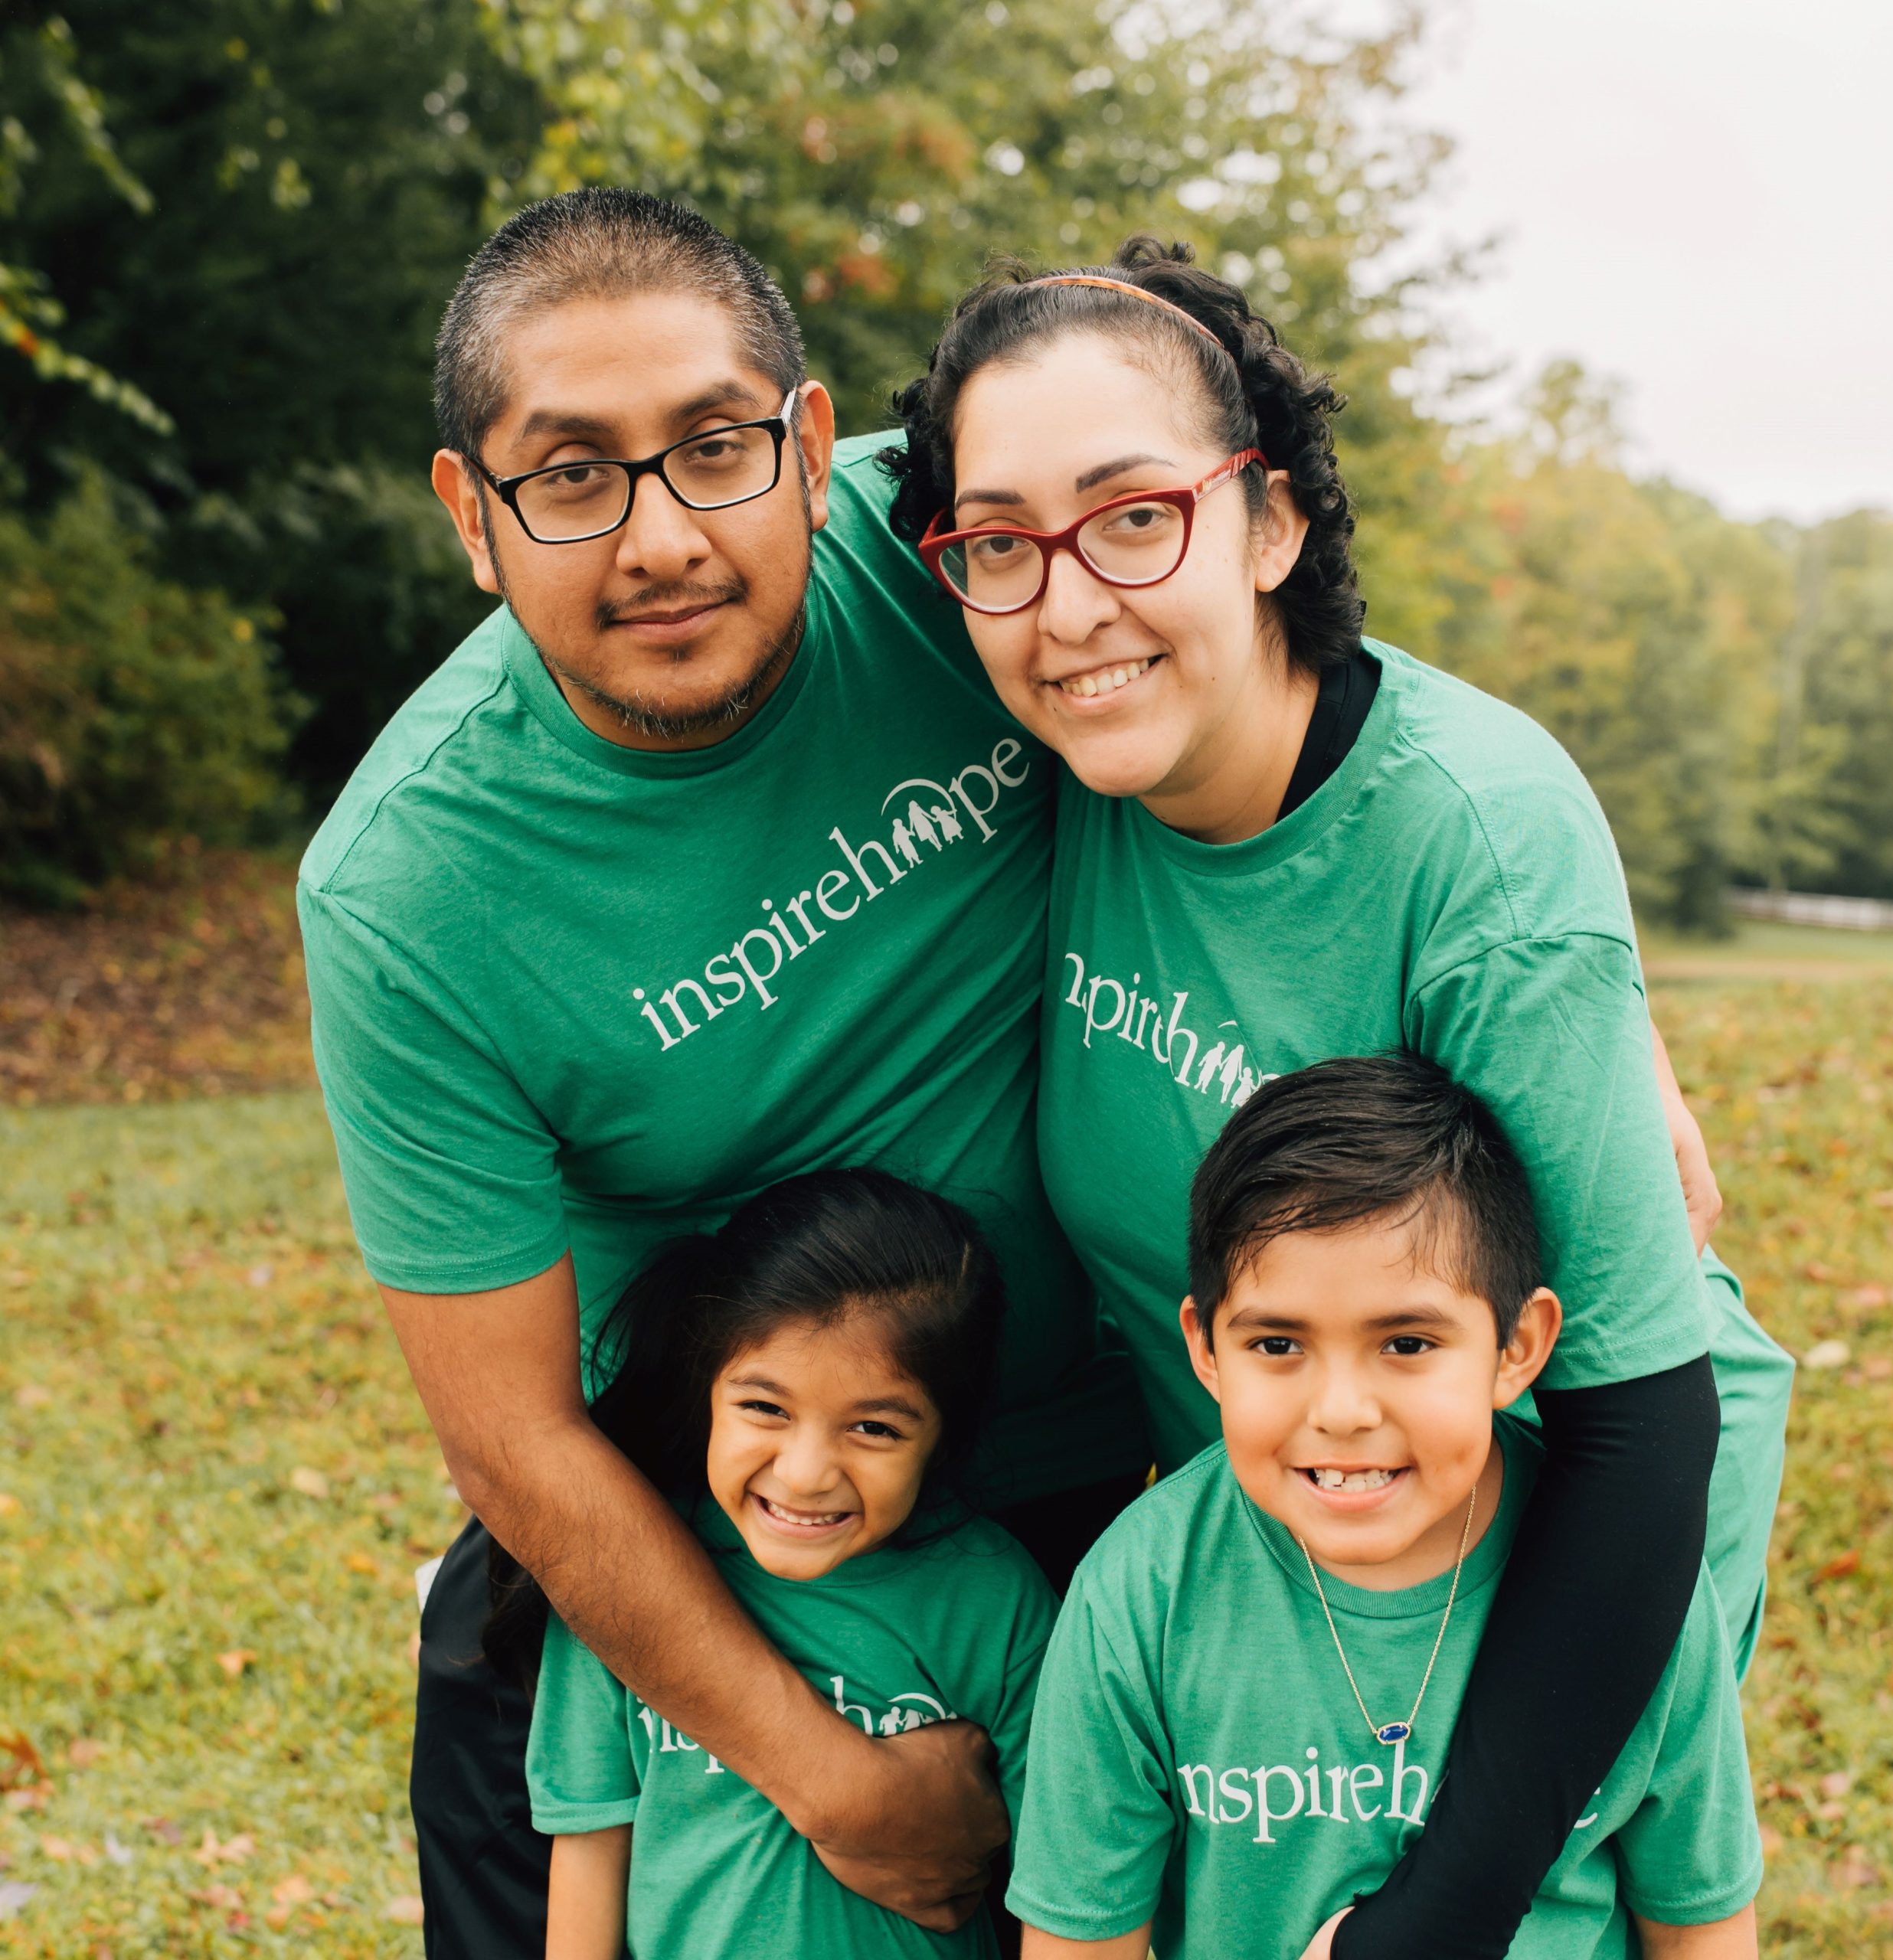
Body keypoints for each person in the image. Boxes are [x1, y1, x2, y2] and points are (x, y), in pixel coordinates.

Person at [881, 239, 1793, 1959]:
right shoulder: (1084, 739)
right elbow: (774, 486)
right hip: (1282, 1548)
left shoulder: (1475, 841)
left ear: (1274, 523)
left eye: (1135, 514)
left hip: (1554, 1548)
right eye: (1001, 542)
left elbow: (1636, 1424)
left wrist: (1434, 1921)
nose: (1070, 601)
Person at [296, 188, 1148, 1958]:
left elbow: (1256, 629)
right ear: (473, 513)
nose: (659, 533)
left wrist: (1542, 959)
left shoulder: (964, 546)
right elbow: (512, 1430)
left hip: (1054, 1494)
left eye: (711, 447)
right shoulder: (410, 890)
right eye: (571, 473)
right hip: (672, 1555)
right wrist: (826, 1774)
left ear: (813, 439)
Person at [1009, 1055, 1762, 1960]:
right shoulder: (1142, 1593)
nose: (1340, 1410)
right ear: (1206, 1351)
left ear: (1516, 1346)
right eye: (1277, 1343)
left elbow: (1700, 1924)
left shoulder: (1625, 1579)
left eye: (1406, 1342)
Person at [502, 1168, 1055, 1960]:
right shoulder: (627, 1573)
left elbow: (1064, 1875)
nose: (803, 1473)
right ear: (707, 1389)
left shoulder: (991, 1600)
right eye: (765, 1407)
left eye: (872, 1428)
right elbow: (591, 1845)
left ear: (944, 1436)